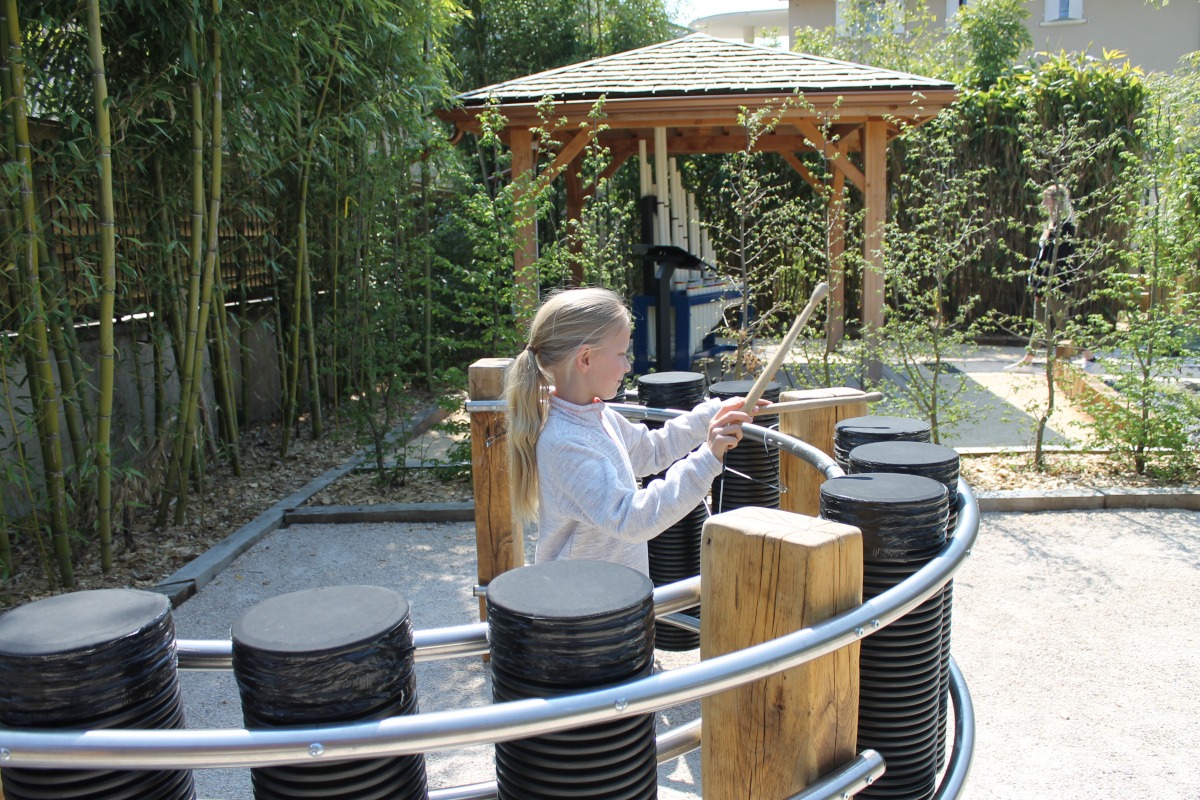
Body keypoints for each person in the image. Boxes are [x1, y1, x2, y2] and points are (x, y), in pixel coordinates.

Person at [505, 286, 762, 576]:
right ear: (585, 358)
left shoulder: (596, 414)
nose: (627, 365)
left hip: (611, 599)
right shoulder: (565, 442)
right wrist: (708, 457)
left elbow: (650, 450)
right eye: (621, 353)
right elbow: (632, 519)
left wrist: (711, 416)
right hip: (585, 609)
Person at [1007, 183, 1094, 370]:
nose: (1043, 202)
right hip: (1045, 282)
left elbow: (1056, 260)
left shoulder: (1065, 227)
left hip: (1055, 284)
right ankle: (1028, 358)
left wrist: (1043, 286)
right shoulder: (1052, 224)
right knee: (1040, 320)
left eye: (1047, 198)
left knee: (1063, 321)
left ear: (1056, 201)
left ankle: (1087, 354)